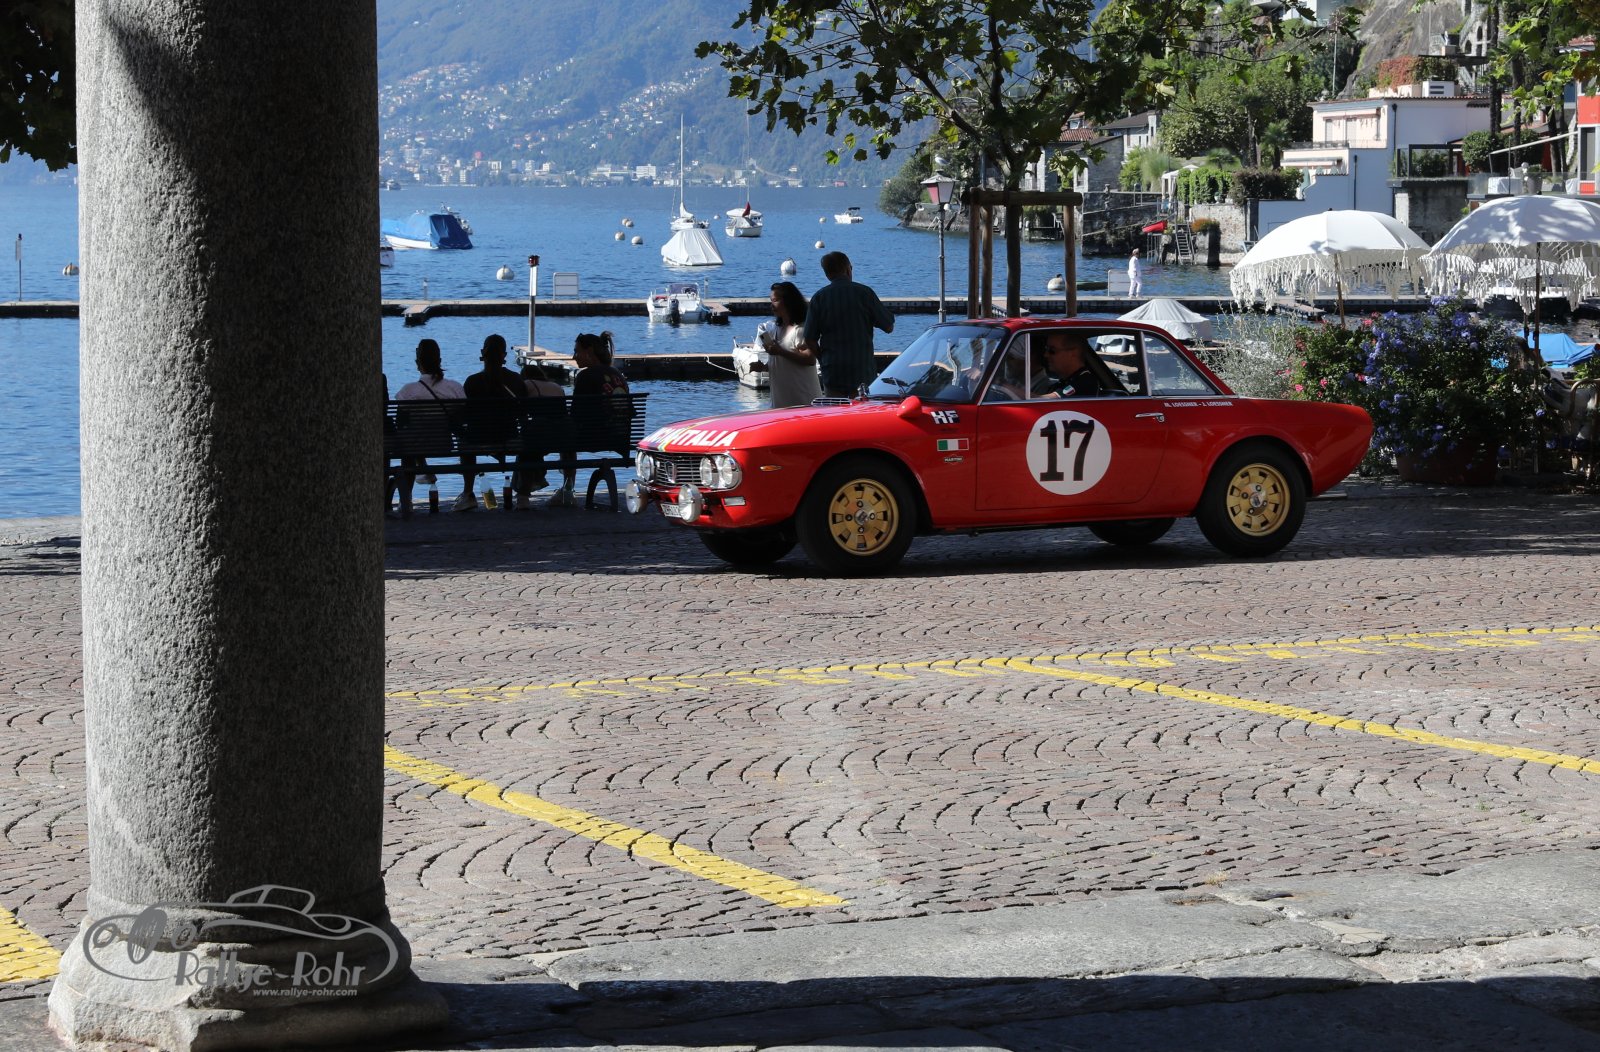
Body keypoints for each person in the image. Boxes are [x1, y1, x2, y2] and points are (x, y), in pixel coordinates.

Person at [800, 251, 894, 397]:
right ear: (848, 269)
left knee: (836, 411)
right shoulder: (864, 293)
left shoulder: (819, 298)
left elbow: (809, 339)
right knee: (862, 410)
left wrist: (823, 360)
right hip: (862, 372)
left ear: (827, 274)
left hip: (833, 374)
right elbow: (888, 326)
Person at [391, 339, 467, 509]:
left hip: (416, 446)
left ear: (417, 363)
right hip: (444, 444)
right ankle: (467, 492)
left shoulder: (408, 391)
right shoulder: (454, 388)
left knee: (408, 446)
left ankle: (406, 500)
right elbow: (462, 420)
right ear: (439, 361)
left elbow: (400, 424)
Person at [458, 333, 529, 510]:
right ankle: (523, 496)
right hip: (510, 437)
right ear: (504, 355)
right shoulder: (515, 379)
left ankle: (468, 493)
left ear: (483, 353)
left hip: (479, 439)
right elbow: (523, 414)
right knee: (527, 439)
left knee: (464, 442)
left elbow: (465, 416)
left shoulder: (472, 381)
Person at [562, 331, 631, 506]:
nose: (573, 356)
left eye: (577, 351)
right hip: (619, 436)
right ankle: (567, 490)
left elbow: (575, 414)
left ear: (589, 351)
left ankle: (567, 490)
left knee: (565, 434)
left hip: (594, 437)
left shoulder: (585, 376)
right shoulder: (617, 374)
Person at [760, 281, 822, 408]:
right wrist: (764, 367)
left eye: (775, 300)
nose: (771, 305)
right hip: (781, 402)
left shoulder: (801, 329)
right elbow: (783, 361)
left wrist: (780, 351)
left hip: (802, 401)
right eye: (771, 301)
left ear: (789, 301)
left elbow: (810, 359)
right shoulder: (776, 328)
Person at [1034, 331, 1104, 398]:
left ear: (1073, 353)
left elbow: (1045, 399)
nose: (1046, 355)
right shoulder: (1065, 381)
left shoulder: (1085, 381)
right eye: (1046, 349)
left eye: (1052, 350)